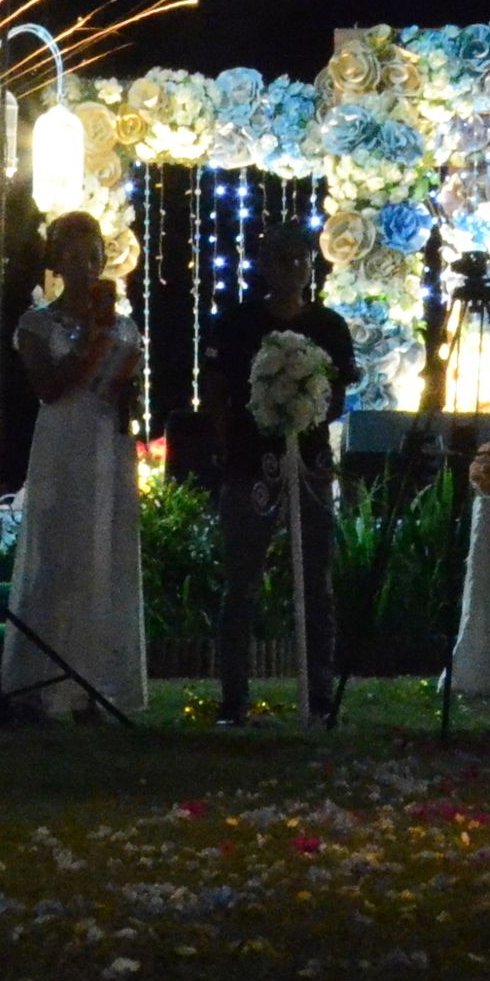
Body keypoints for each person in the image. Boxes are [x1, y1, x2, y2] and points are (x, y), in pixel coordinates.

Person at [5, 212, 147, 721]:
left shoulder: (125, 327)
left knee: (104, 553)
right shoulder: (36, 324)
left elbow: (125, 395)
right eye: (73, 254)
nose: (86, 265)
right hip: (63, 443)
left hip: (108, 446)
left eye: (94, 255)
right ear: (56, 260)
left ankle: (100, 681)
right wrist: (92, 337)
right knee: (60, 553)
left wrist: (128, 389)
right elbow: (50, 387)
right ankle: (46, 680)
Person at [208, 229, 352, 725]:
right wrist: (231, 452)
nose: (293, 267)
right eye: (282, 259)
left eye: (301, 259)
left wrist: (302, 413)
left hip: (309, 466)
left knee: (316, 581)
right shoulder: (238, 323)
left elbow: (336, 399)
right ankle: (234, 697)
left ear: (312, 265)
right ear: (265, 265)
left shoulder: (329, 326)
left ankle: (318, 692)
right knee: (242, 580)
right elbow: (221, 391)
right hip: (250, 465)